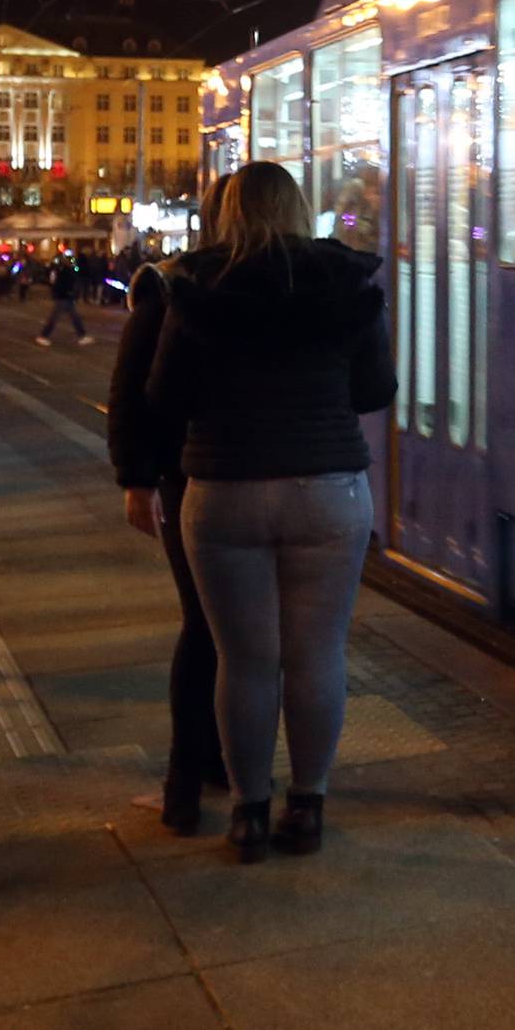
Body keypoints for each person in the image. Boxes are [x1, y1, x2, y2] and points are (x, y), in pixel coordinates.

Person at [147, 160, 395, 864]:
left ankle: (249, 814)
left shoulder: (195, 288)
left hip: (223, 489)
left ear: (227, 213)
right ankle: (307, 805)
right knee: (317, 656)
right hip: (327, 490)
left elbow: (164, 395)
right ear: (299, 209)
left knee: (244, 660)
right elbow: (376, 388)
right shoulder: (345, 284)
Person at [108, 176, 230, 833]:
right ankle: (190, 778)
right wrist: (137, 477)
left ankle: (211, 767)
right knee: (209, 626)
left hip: (213, 478)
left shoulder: (248, 283)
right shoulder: (172, 285)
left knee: (220, 630)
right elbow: (131, 391)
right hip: (188, 476)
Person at [35, 252, 92, 348]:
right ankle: (43, 335)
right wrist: (69, 292)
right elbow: (62, 283)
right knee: (56, 317)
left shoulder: (62, 270)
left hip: (65, 296)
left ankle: (82, 335)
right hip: (64, 297)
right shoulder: (64, 271)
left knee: (74, 317)